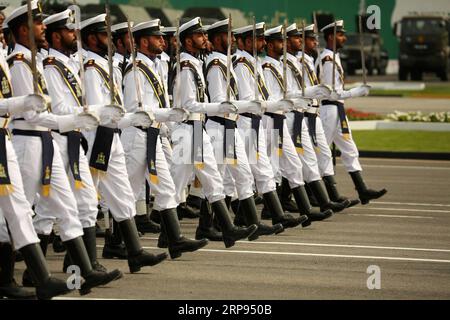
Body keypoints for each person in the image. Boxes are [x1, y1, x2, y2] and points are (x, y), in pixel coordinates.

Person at [6, 0, 119, 295]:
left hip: (45, 139)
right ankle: (13, 277)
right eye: (39, 23)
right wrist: (71, 119)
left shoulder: (31, 61)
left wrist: (75, 118)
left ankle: (84, 270)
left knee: (69, 206)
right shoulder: (19, 63)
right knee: (18, 211)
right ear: (23, 29)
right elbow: (32, 113)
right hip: (26, 140)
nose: (43, 28)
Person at [81, 13, 168, 272]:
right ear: (92, 37)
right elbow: (98, 110)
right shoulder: (90, 68)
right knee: (86, 201)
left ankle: (135, 252)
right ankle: (80, 262)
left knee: (122, 196)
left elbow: (116, 110)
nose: (113, 39)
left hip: (113, 136)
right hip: (98, 138)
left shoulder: (105, 66)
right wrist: (129, 118)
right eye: (105, 34)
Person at [122, 19, 208, 259]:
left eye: (162, 36)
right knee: (127, 193)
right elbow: (134, 111)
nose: (163, 40)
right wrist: (167, 115)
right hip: (137, 136)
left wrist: (167, 123)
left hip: (152, 136)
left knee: (167, 187)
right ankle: (115, 241)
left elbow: (158, 106)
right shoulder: (136, 71)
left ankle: (175, 240)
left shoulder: (153, 66)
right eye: (156, 36)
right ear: (143, 40)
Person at [170, 17, 258, 249]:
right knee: (174, 187)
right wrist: (218, 107)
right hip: (184, 130)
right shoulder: (185, 66)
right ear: (188, 40)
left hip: (198, 129)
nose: (205, 38)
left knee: (213, 179)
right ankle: (139, 236)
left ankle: (227, 229)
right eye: (200, 35)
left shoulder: (195, 63)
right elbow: (189, 105)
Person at [204, 18, 284, 240]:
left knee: (237, 175)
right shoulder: (219, 64)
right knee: (217, 178)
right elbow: (221, 101)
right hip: (221, 126)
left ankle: (246, 222)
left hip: (231, 125)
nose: (231, 40)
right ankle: (210, 225)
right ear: (218, 38)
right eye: (227, 36)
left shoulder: (228, 62)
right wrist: (251, 105)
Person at [318, 20, 387, 204]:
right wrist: (356, 92)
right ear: (331, 37)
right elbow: (331, 92)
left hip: (338, 110)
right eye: (340, 35)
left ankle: (362, 190)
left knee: (350, 149)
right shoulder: (327, 60)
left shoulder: (335, 57)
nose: (344, 38)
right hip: (328, 109)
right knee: (321, 153)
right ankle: (319, 196)